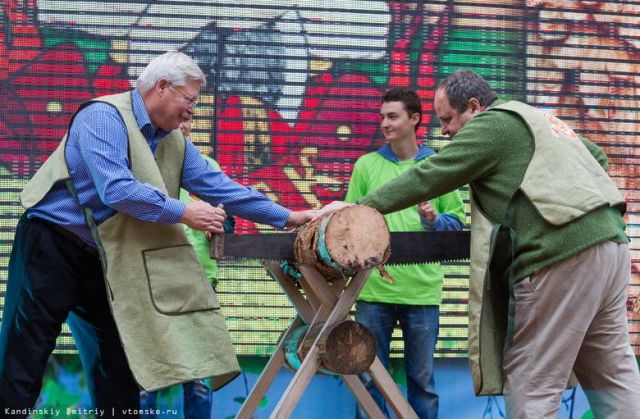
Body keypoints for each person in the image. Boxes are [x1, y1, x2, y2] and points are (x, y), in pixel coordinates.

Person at [0, 51, 316, 415]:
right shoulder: (103, 116)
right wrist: (186, 212)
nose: (193, 111)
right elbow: (116, 190)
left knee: (119, 368)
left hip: (106, 259)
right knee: (23, 361)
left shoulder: (172, 140)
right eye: (190, 99)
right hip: (51, 247)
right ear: (162, 87)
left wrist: (291, 217)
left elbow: (222, 187)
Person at [319, 70, 640, 418]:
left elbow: (430, 174)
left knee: (533, 379)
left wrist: (359, 207)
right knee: (612, 372)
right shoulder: (536, 117)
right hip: (610, 244)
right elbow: (597, 158)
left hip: (560, 254)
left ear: (474, 106)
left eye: (447, 119)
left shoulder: (492, 125)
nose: (444, 131)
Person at [346, 88, 465, 419]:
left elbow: (455, 224)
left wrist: (433, 220)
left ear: (415, 120)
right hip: (372, 293)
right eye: (382, 116)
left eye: (392, 116)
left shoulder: (440, 165)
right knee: (369, 379)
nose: (384, 123)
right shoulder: (365, 166)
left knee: (422, 383)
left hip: (422, 293)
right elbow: (350, 222)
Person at [135, 115, 232, 418]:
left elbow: (228, 220)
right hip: (152, 280)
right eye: (179, 118)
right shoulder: (143, 166)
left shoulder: (207, 167)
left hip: (199, 281)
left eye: (188, 119)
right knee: (146, 377)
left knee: (199, 377)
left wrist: (218, 223)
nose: (183, 124)